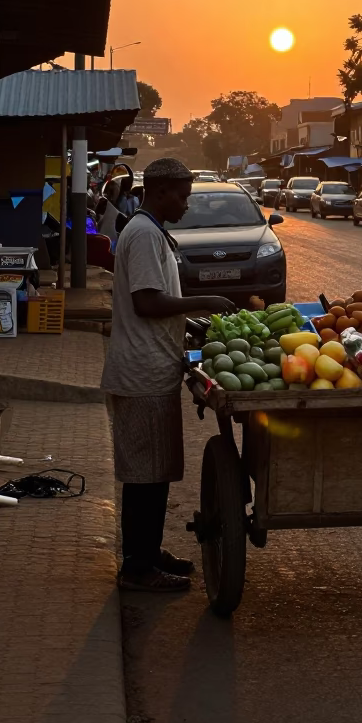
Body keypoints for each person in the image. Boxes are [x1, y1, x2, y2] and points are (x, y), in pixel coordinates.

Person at [101, 158, 236, 593]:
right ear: (158, 192)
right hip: (140, 371)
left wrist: (192, 323)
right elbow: (147, 302)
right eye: (181, 196)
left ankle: (148, 551)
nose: (186, 205)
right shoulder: (141, 234)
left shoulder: (150, 230)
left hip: (154, 367)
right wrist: (205, 302)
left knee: (155, 471)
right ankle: (137, 568)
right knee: (143, 476)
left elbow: (161, 300)